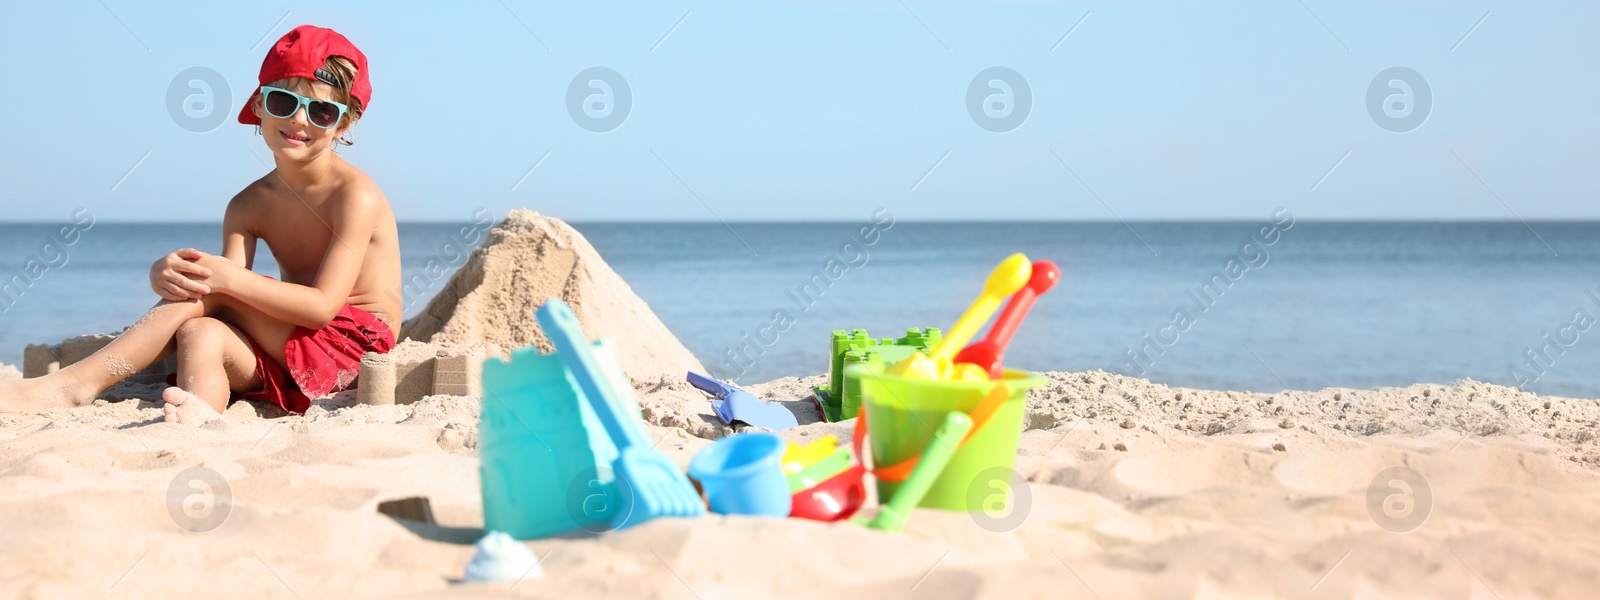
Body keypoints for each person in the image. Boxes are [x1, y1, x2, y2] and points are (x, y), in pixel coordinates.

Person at [0, 25, 401, 424]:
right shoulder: (247, 205)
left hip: (354, 349)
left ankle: (75, 386)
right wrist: (167, 276)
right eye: (283, 101)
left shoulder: (354, 195)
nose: (299, 119)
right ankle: (200, 415)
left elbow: (321, 307)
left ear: (344, 124)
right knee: (202, 331)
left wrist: (214, 278)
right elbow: (223, 299)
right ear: (259, 106)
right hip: (293, 345)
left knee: (212, 287)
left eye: (322, 111)